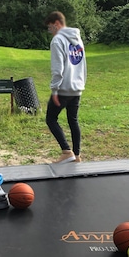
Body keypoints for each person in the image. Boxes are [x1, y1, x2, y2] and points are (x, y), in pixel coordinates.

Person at [45, 11, 87, 163]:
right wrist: (81, 83)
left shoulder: (58, 41)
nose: (50, 32)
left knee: (51, 119)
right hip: (77, 87)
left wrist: (55, 90)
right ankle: (77, 155)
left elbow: (58, 69)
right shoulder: (77, 39)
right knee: (73, 120)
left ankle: (66, 151)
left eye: (50, 28)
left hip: (63, 88)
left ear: (56, 23)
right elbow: (81, 64)